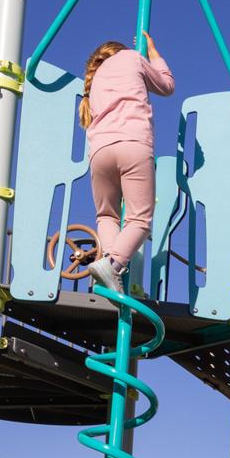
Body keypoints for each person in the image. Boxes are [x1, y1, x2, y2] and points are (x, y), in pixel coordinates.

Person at [77, 32, 175, 294]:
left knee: (106, 215)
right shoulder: (132, 57)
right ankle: (113, 264)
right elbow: (167, 85)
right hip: (132, 143)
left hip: (99, 152)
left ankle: (108, 268)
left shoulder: (94, 81)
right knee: (139, 220)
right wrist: (152, 51)